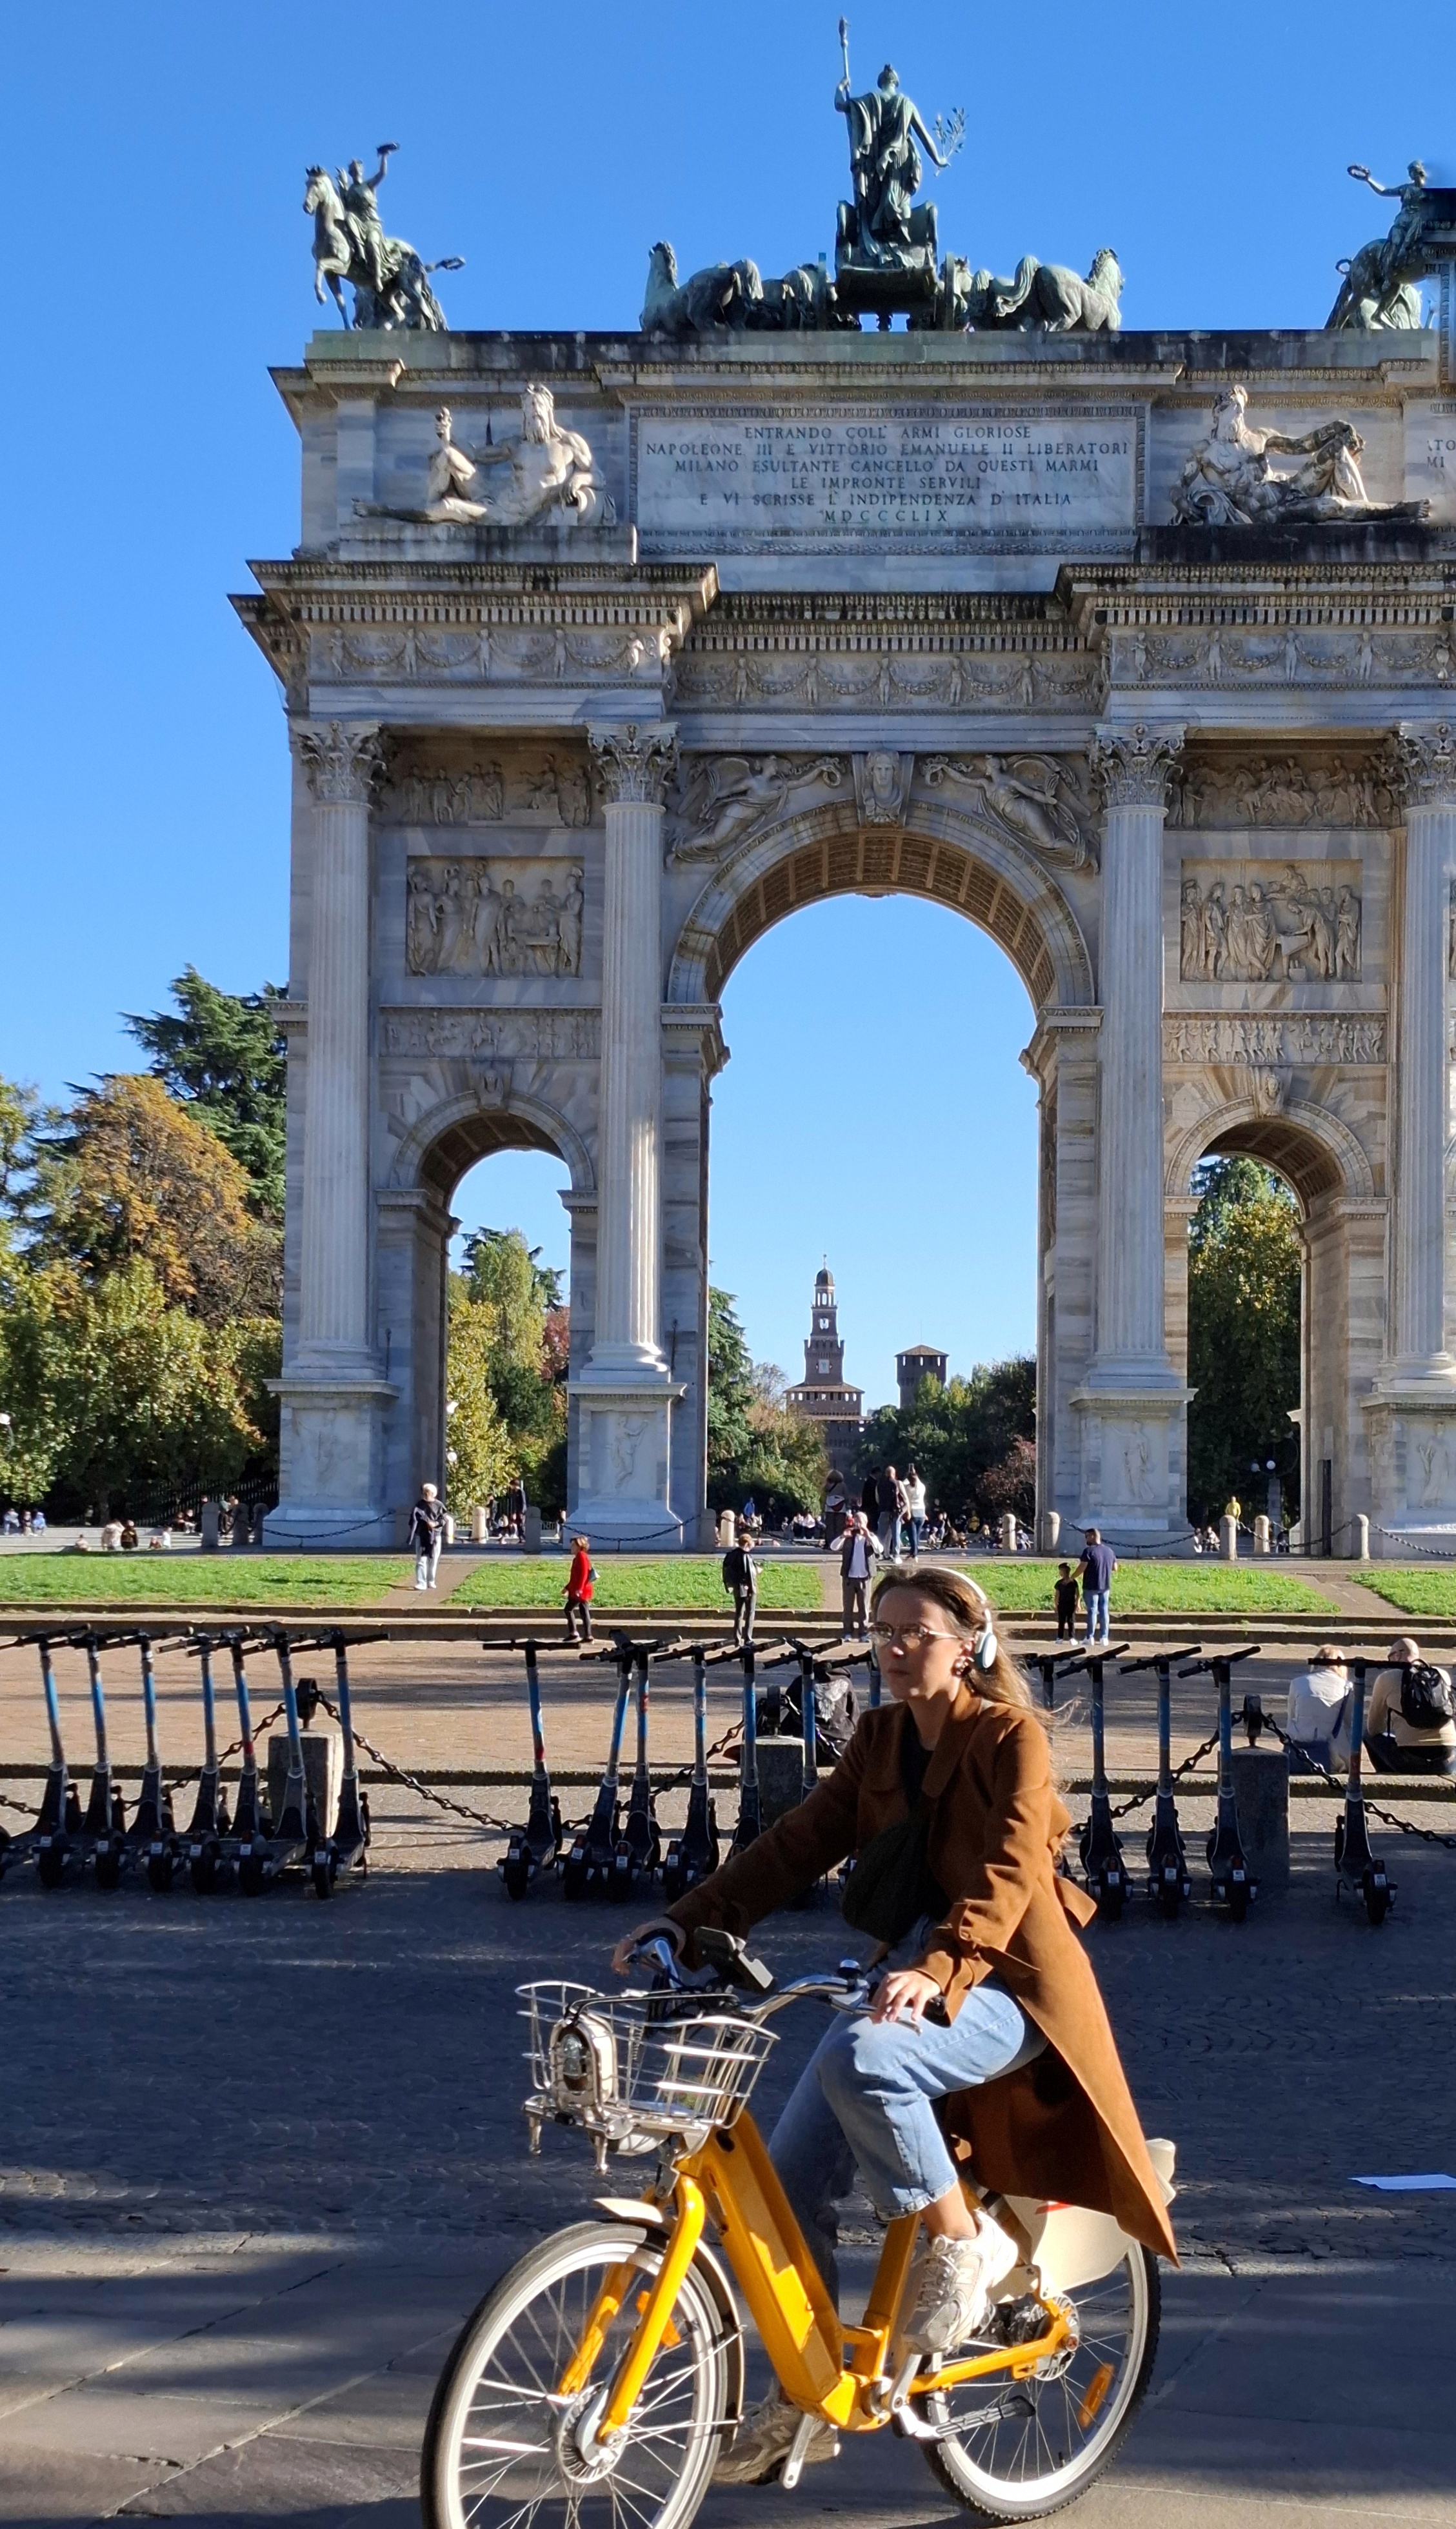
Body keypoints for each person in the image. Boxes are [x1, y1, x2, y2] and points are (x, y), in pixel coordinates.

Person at [612, 1564, 1175, 2486]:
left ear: (970, 1646)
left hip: (1007, 1988)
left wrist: (938, 1968)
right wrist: (694, 1919)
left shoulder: (1011, 1739)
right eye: (882, 1630)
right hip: (902, 1985)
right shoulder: (876, 1739)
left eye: (915, 1631)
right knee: (783, 2191)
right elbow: (796, 1843)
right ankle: (808, 2393)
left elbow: (1009, 1870)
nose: (893, 1646)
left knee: (867, 2057)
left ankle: (959, 2244)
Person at [1366, 1637, 1456, 1776]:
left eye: (1390, 1657)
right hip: (1448, 1760)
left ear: (1397, 1655)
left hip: (1409, 1761)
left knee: (1366, 1734)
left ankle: (1389, 1775)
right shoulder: (1442, 1675)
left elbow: (1374, 1728)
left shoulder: (1387, 1678)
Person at [1285, 1644, 1351, 1774]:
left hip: (1298, 1752)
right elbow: (1349, 1725)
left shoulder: (1297, 1683)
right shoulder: (1347, 1687)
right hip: (1329, 1755)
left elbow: (1291, 1718)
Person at [839, 1510, 880, 1640]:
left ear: (866, 1523)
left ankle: (863, 1633)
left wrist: (869, 1536)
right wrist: (842, 1537)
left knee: (864, 1608)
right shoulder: (849, 1537)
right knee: (848, 1607)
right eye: (856, 1521)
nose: (858, 1524)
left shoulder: (871, 1537)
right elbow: (834, 1547)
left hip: (865, 1578)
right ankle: (847, 1632)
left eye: (860, 1521)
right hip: (849, 1578)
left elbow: (880, 1549)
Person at [722, 1524, 759, 1648]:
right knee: (750, 1613)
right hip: (748, 1589)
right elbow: (750, 1574)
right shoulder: (746, 1556)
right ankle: (748, 1638)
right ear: (748, 1544)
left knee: (739, 1614)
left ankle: (737, 1639)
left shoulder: (732, 1555)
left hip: (737, 1588)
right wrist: (757, 1571)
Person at [1078, 1528, 1117, 1645]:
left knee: (1092, 1611)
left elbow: (1082, 1567)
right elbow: (1115, 1568)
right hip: (1105, 1586)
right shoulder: (1109, 1551)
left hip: (1091, 1586)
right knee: (1104, 1610)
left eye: (1087, 1537)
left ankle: (1090, 1637)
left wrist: (1072, 1577)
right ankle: (1104, 1637)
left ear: (1093, 1536)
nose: (1086, 1539)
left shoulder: (1088, 1551)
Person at [409, 1483, 446, 1592]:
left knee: (434, 1559)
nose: (426, 1495)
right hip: (422, 1535)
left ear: (433, 1494)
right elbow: (414, 1518)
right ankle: (421, 1582)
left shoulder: (439, 1505)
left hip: (435, 1536)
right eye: (424, 1492)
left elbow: (443, 1519)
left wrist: (435, 1524)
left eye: (428, 1493)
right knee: (421, 1559)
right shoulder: (419, 1505)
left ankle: (431, 1580)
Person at [563, 1534, 594, 1642]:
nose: (571, 1548)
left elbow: (584, 1574)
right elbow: (574, 1577)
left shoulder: (582, 1556)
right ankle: (588, 1636)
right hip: (578, 1590)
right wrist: (567, 1588)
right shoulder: (577, 1558)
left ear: (580, 1546)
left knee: (568, 1609)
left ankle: (574, 1633)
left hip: (581, 1591)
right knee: (584, 1612)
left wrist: (580, 1589)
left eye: (573, 1545)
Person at [875, 1464, 904, 1560]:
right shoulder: (896, 1483)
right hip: (895, 1512)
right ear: (894, 1474)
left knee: (881, 1535)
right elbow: (902, 1499)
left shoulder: (879, 1484)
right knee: (896, 1534)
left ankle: (878, 1553)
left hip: (883, 1511)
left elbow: (877, 1498)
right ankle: (896, 1555)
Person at [903, 1464, 927, 1559]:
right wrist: (913, 1472)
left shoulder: (907, 1488)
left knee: (912, 1534)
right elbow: (917, 1480)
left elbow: (904, 1483)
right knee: (916, 1533)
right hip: (921, 1511)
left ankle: (914, 1552)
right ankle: (914, 1551)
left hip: (912, 1511)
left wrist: (909, 1473)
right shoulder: (922, 1487)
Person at [1053, 1560, 1079, 1641]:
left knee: (1070, 1621)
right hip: (1063, 1604)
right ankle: (1060, 1637)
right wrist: (1056, 1605)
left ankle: (1071, 1637)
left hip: (1070, 1604)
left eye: (1061, 1571)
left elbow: (1077, 1594)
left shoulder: (1073, 1582)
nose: (1061, 1573)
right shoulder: (1059, 1583)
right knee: (1063, 1621)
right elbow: (1057, 1595)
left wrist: (1078, 1603)